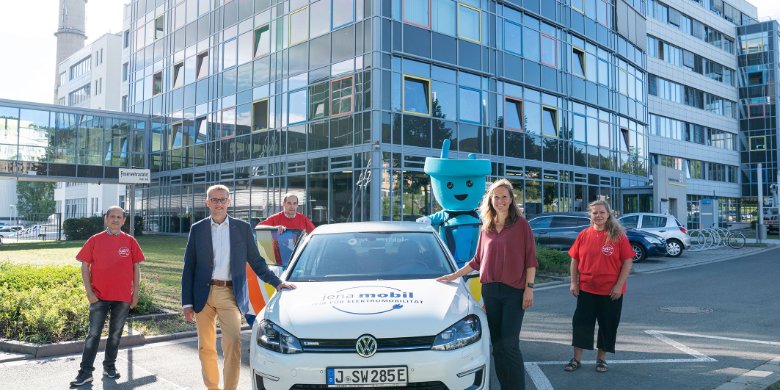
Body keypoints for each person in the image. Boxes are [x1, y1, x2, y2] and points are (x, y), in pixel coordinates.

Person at [181, 184, 296, 390]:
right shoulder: (197, 229)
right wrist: (187, 303)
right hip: (202, 295)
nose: (219, 204)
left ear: (229, 202)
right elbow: (189, 267)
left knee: (233, 343)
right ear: (207, 203)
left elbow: (257, 261)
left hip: (230, 294)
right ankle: (212, 387)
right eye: (214, 200)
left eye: (222, 199)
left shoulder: (241, 228)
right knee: (205, 347)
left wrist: (277, 282)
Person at [436, 179, 537, 390]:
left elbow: (530, 260)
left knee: (510, 345)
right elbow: (476, 261)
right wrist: (453, 275)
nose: (500, 200)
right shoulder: (486, 227)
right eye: (496, 196)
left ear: (511, 200)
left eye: (504, 197)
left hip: (514, 292)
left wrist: (529, 288)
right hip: (491, 292)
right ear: (490, 200)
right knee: (497, 346)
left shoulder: (521, 225)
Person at [70, 206, 144, 387]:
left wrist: (136, 293)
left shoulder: (130, 241)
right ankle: (85, 372)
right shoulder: (95, 240)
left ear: (124, 220)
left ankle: (109, 366)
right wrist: (89, 292)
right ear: (106, 218)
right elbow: (84, 266)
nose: (116, 220)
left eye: (119, 217)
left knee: (115, 335)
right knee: (93, 335)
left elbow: (136, 267)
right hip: (99, 297)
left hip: (123, 297)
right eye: (112, 216)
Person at [563, 199, 635, 374]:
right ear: (590, 215)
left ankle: (601, 360)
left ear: (608, 214)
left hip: (611, 292)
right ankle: (576, 359)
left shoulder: (618, 236)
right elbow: (575, 260)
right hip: (586, 289)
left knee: (607, 325)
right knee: (580, 324)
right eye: (595, 213)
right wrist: (574, 281)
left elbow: (627, 262)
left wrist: (619, 286)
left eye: (602, 212)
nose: (598, 216)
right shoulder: (583, 235)